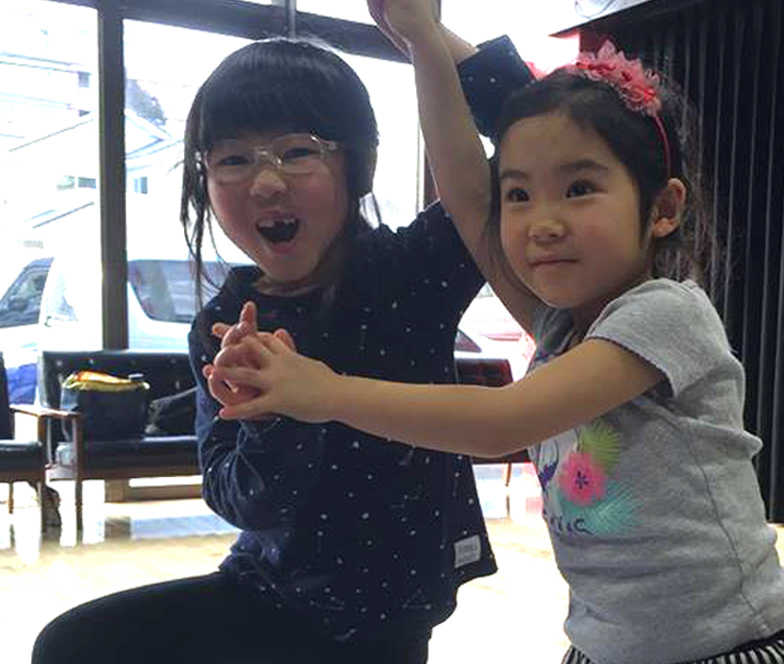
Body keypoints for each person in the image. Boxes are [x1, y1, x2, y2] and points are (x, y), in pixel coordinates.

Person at [206, 2, 784, 663]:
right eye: (519, 196)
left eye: (579, 189)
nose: (543, 222)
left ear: (663, 208)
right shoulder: (561, 330)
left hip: (732, 649)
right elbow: (465, 195)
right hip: (607, 648)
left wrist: (325, 391)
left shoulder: (667, 314)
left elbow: (501, 422)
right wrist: (422, 43)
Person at [31, 6, 534, 664]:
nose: (266, 183)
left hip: (388, 618)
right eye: (233, 160)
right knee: (73, 645)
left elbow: (537, 130)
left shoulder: (411, 270)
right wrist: (271, 420)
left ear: (360, 166)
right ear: (205, 180)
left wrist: (424, 34)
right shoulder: (226, 324)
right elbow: (239, 498)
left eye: (298, 151)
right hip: (267, 592)